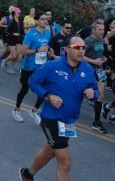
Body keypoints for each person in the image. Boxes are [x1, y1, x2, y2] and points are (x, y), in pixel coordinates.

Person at [19, 36, 98, 181]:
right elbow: (33, 81)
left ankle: (27, 174)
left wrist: (93, 93)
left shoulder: (87, 69)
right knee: (65, 161)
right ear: (67, 49)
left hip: (69, 120)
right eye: (76, 48)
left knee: (49, 151)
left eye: (83, 48)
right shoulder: (52, 66)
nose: (81, 51)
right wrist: (48, 96)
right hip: (51, 118)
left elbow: (94, 89)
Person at [12, 12, 50, 124]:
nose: (45, 21)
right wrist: (37, 50)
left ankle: (34, 111)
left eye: (46, 19)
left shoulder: (48, 33)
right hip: (29, 67)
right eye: (42, 19)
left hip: (42, 67)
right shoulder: (31, 34)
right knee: (24, 89)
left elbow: (46, 46)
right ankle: (16, 110)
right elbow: (23, 51)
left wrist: (49, 51)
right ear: (37, 21)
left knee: (44, 91)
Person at [84, 19, 108, 133]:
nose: (102, 32)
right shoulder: (88, 41)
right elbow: (80, 56)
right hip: (88, 71)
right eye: (99, 30)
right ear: (93, 29)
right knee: (80, 92)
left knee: (101, 96)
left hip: (99, 71)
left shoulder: (101, 40)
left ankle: (96, 122)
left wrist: (104, 59)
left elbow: (100, 54)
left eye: (103, 29)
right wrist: (94, 61)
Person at [0, 6, 24, 74]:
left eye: (19, 12)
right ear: (14, 13)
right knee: (14, 55)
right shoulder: (11, 21)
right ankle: (4, 60)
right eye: (18, 12)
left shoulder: (20, 21)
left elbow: (22, 31)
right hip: (11, 39)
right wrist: (13, 34)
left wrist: (22, 34)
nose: (19, 13)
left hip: (18, 40)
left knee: (18, 55)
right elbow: (7, 31)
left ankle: (10, 68)